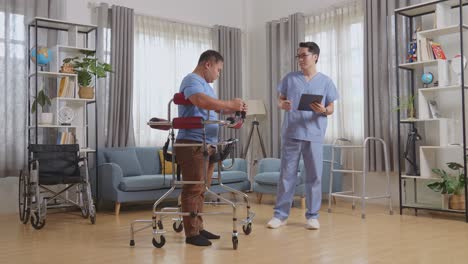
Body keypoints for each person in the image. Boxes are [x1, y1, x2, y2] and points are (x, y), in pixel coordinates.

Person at [174, 50, 247, 246]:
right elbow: (200, 101)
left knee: (201, 189)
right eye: (218, 69)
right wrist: (228, 104)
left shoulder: (206, 86)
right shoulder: (192, 80)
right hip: (192, 143)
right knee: (193, 188)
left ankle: (198, 227)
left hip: (206, 143)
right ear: (208, 64)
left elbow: (215, 108)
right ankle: (191, 234)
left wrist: (233, 111)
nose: (218, 74)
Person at [267, 42, 339, 230]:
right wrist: (281, 105)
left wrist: (323, 110)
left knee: (314, 175)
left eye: (303, 55)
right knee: (286, 175)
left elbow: (331, 107)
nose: (300, 59)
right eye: (298, 56)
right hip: (292, 132)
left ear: (315, 56)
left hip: (314, 133)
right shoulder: (290, 78)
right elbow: (280, 99)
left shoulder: (326, 81)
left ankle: (312, 216)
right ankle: (280, 216)